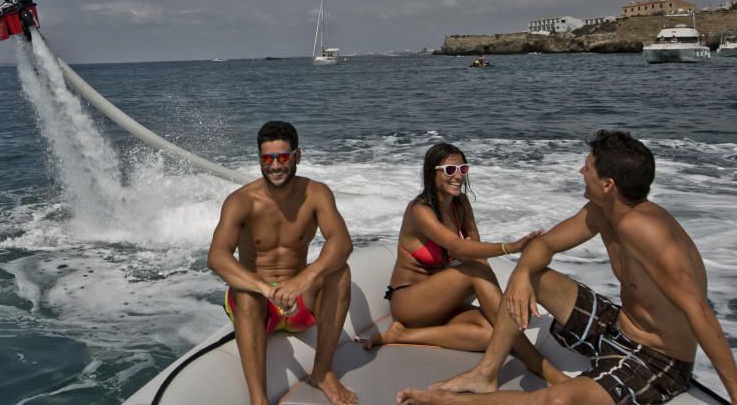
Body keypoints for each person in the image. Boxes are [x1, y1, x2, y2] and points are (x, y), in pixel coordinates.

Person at [398, 130, 737, 405]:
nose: (580, 172)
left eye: (587, 168)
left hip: (656, 359)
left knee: (559, 401)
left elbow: (699, 312)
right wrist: (521, 277)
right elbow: (544, 245)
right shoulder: (602, 211)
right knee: (535, 275)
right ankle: (485, 374)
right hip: (619, 328)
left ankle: (454, 402)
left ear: (608, 184)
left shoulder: (644, 228)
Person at [358, 144, 565, 386]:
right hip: (410, 303)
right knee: (477, 274)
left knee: (494, 335)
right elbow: (458, 248)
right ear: (432, 172)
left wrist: (502, 298)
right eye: (450, 169)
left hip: (442, 304)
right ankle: (538, 364)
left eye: (462, 168)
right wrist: (511, 247)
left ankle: (402, 335)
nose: (458, 176)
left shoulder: (461, 204)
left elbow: (476, 252)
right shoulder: (420, 210)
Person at [207, 121, 357, 405]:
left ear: (297, 156)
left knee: (342, 272)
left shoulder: (316, 194)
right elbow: (217, 256)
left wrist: (304, 279)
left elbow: (342, 242)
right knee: (246, 294)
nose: (275, 166)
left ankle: (323, 373)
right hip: (258, 306)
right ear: (259, 159)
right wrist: (265, 288)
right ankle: (259, 399)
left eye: (283, 157)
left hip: (298, 300)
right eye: (267, 158)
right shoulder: (241, 201)